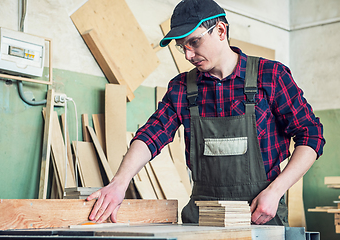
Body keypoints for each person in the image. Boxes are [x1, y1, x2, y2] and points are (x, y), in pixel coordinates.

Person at [87, 0, 325, 225]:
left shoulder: (271, 76)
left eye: (194, 42)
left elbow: (310, 136)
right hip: (202, 222)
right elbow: (152, 134)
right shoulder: (182, 87)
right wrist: (120, 183)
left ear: (221, 31)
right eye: (182, 48)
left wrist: (275, 191)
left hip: (261, 216)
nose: (189, 55)